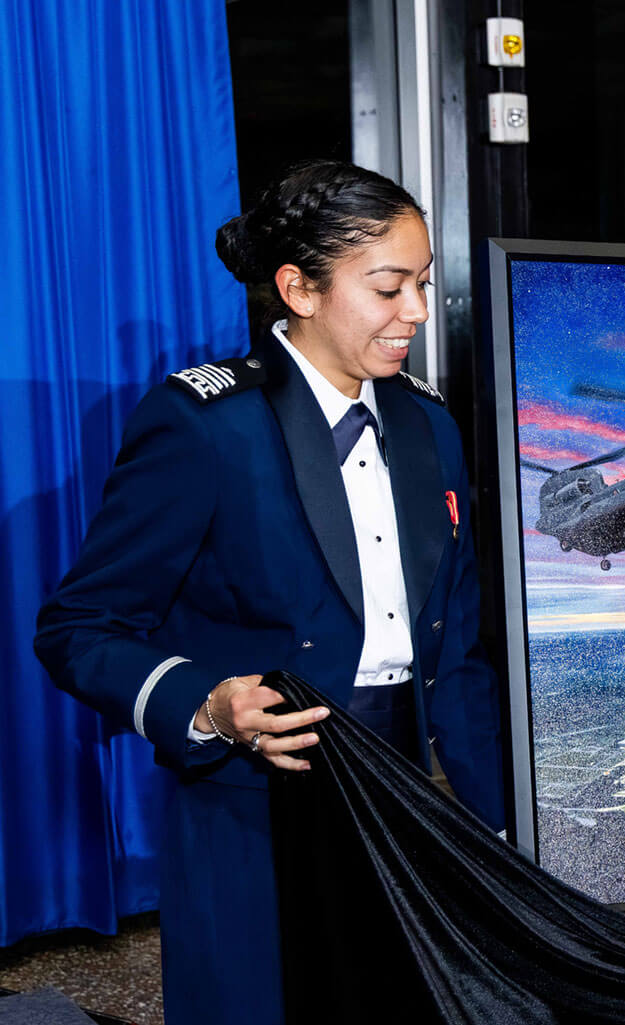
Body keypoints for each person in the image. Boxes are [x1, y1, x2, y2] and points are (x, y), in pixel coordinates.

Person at [35, 160, 506, 1025]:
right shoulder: (206, 424)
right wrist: (205, 705)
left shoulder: (428, 422)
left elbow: (461, 652)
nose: (416, 312)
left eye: (423, 284)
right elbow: (79, 626)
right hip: (253, 808)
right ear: (299, 288)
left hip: (406, 808)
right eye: (389, 286)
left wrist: (501, 831)